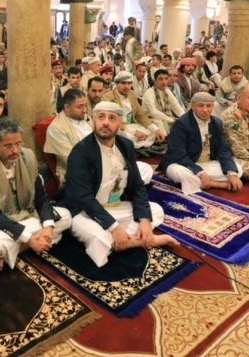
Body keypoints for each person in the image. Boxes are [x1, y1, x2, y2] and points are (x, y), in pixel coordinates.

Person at [64, 101, 178, 267]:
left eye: (112, 118)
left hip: (115, 205)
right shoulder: (80, 152)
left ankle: (123, 240)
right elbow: (83, 198)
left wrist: (144, 220)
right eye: (101, 117)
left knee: (155, 210)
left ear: (119, 123)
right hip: (86, 211)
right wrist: (114, 227)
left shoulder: (125, 145)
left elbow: (137, 185)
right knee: (98, 238)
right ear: (94, 121)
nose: (105, 122)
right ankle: (144, 240)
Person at [0, 118, 72, 270]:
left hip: (26, 214)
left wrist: (48, 227)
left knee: (65, 216)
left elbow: (40, 197)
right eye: (8, 146)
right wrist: (29, 238)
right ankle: (31, 243)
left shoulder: (27, 157)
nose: (15, 151)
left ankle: (13, 251)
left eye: (18, 144)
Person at [159, 92, 243, 194]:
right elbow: (178, 154)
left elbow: (223, 150)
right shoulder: (182, 123)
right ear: (193, 106)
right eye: (200, 106)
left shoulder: (217, 123)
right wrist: (200, 172)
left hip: (206, 163)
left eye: (208, 106)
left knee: (238, 169)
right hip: (182, 164)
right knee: (181, 173)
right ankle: (214, 184)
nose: (205, 110)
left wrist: (231, 174)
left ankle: (198, 182)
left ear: (213, 106)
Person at [103, 71, 165, 154]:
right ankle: (140, 148)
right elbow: (112, 121)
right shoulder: (108, 97)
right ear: (117, 84)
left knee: (153, 130)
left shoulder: (131, 94)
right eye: (123, 83)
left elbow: (140, 114)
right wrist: (134, 132)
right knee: (126, 137)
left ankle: (141, 148)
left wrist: (156, 129)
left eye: (129, 83)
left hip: (132, 124)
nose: (127, 86)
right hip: (119, 128)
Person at [44, 89, 93, 185]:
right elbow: (72, 159)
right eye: (80, 107)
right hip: (76, 175)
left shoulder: (85, 118)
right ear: (67, 107)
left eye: (85, 105)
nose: (85, 110)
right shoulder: (56, 128)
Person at [141, 68, 185, 135]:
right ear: (155, 81)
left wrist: (184, 118)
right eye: (160, 79)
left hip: (166, 118)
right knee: (160, 122)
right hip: (150, 119)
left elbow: (176, 106)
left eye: (166, 79)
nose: (164, 82)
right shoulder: (149, 93)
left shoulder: (167, 91)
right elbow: (153, 112)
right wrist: (171, 120)